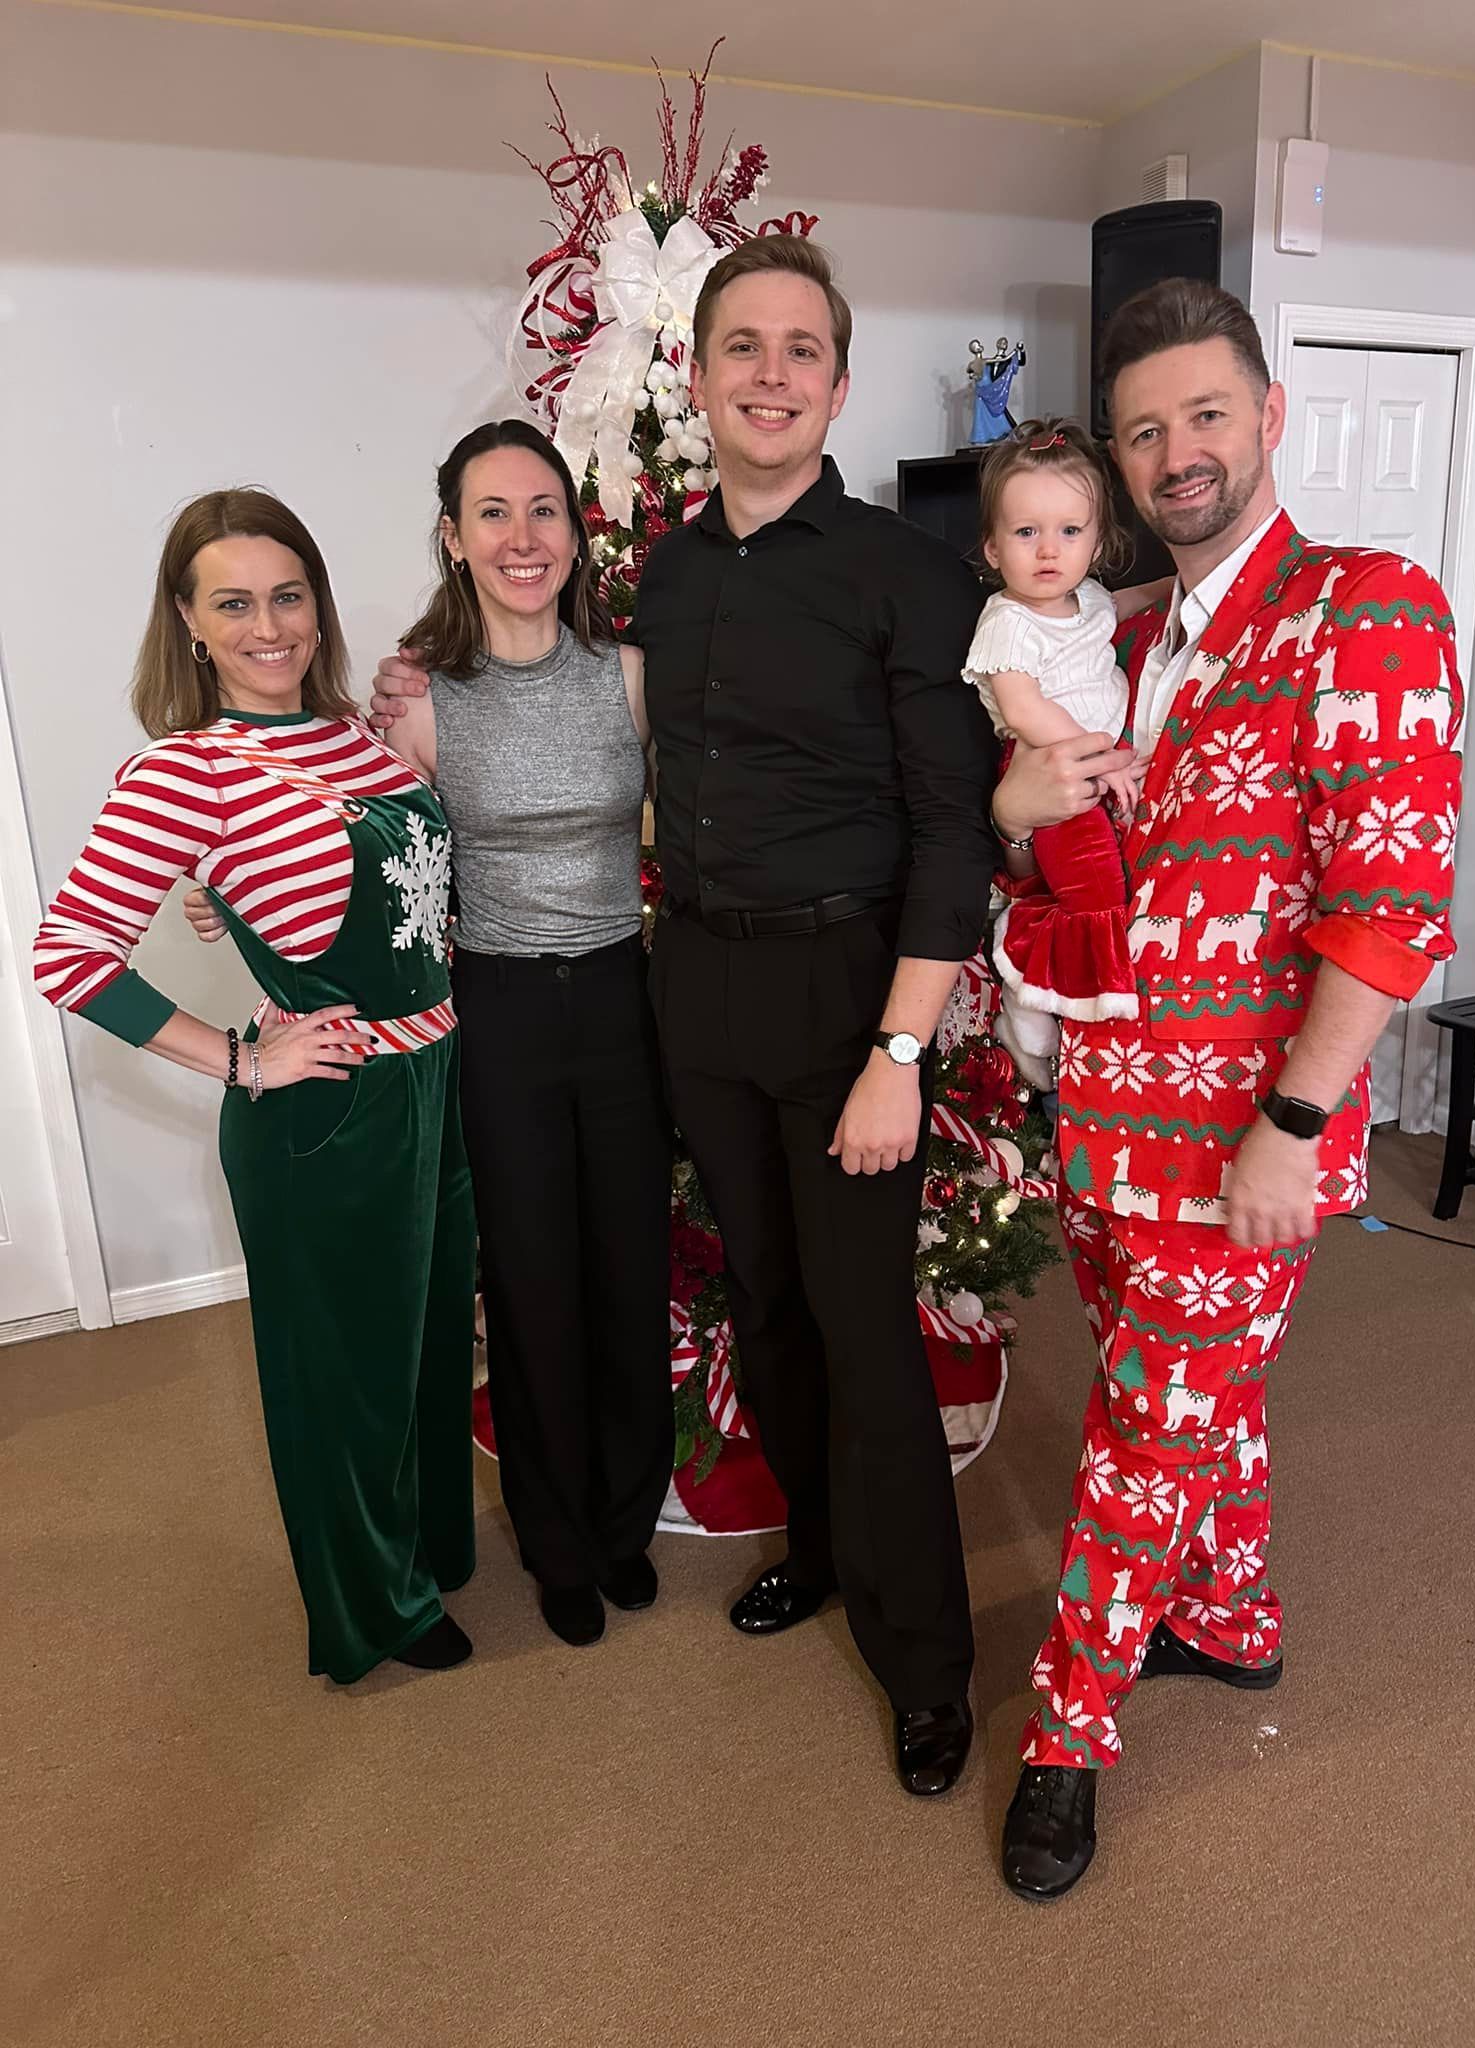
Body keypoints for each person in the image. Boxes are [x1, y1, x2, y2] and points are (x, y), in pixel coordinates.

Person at [374, 234, 999, 1795]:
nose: (770, 374)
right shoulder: (664, 570)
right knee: (773, 1307)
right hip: (695, 986)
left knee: (865, 1330)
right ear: (698, 378)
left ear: (836, 385)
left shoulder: (910, 574)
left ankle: (929, 1666)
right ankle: (828, 1553)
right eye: (742, 347)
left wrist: (903, 1052)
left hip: (852, 991)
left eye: (801, 350)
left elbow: (954, 828)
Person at [990, 279, 1464, 1898]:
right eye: (1144, 430)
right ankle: (1232, 1616)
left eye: (1204, 413)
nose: (1177, 451)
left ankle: (1065, 1739)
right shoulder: (1116, 638)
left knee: (1136, 1441)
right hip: (1110, 1125)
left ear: (1270, 415)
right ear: (1117, 464)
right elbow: (1059, 846)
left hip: (1240, 1147)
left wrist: (1298, 1119)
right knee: (1197, 1399)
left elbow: (1389, 901)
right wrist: (1015, 796)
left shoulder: (1364, 605)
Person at [199, 425, 675, 1651]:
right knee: (527, 1282)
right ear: (454, 538)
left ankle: (625, 1523)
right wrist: (222, 890)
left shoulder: (626, 675)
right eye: (494, 514)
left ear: (578, 533)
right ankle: (558, 1539)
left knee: (626, 1266)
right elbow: (348, 841)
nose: (524, 538)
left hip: (624, 998)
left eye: (546, 511)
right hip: (499, 1009)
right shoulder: (418, 704)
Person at [34, 490, 477, 1685]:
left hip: (433, 1084)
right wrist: (241, 1055)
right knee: (345, 1374)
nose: (267, 623)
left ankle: (428, 1547)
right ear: (188, 620)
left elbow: (383, 893)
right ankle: (371, 1609)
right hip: (329, 1117)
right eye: (233, 601)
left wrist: (227, 897)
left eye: (288, 595)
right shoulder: (185, 768)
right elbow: (66, 954)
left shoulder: (351, 731)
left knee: (427, 1343)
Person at [963, 416, 1163, 1086]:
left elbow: (1126, 603)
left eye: (1069, 531)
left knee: (1095, 893)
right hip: (1049, 778)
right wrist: (1104, 759)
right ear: (993, 549)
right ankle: (1027, 998)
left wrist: (1174, 588)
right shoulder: (1006, 623)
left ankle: (1049, 983)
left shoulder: (1089, 601)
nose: (1048, 550)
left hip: (1091, 773)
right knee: (1098, 892)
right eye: (1026, 533)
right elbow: (1024, 713)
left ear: (1097, 540)